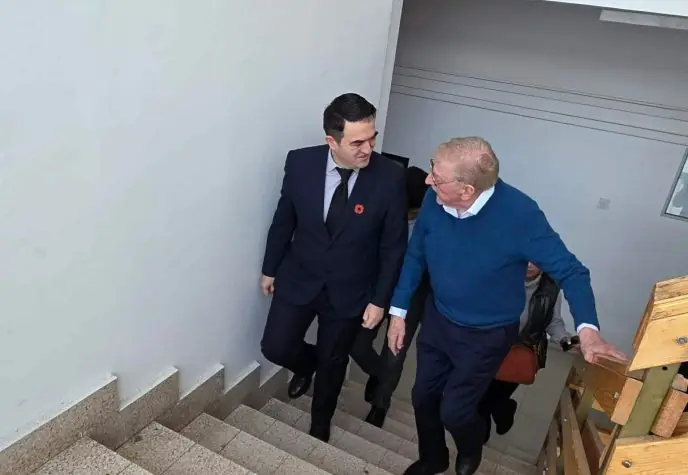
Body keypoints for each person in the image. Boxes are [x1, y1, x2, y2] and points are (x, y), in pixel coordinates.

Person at [387, 137, 627, 475]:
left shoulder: (520, 215)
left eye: (436, 177)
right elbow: (416, 255)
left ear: (467, 190)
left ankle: (471, 447)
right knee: (422, 397)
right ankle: (433, 459)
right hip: (439, 320)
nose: (428, 181)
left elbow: (572, 271)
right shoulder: (435, 198)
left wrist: (588, 330)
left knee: (454, 410)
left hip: (486, 335)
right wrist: (398, 312)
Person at [259, 93, 408, 443]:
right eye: (357, 142)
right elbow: (284, 220)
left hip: (350, 289)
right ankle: (306, 365)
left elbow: (393, 247)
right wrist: (270, 268)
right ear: (332, 140)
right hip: (300, 276)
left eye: (372, 138)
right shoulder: (300, 163)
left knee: (334, 362)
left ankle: (320, 423)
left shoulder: (390, 177)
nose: (368, 149)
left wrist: (380, 301)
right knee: (275, 347)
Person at [349, 166, 432, 428]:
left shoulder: (432, 225)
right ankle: (377, 374)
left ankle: (380, 405)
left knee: (395, 352)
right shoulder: (383, 210)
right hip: (379, 287)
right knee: (358, 344)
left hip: (413, 294)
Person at [478, 262, 575, 443]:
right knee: (480, 400)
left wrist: (566, 341)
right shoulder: (502, 274)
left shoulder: (551, 289)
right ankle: (476, 444)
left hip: (519, 354)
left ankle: (502, 410)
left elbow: (553, 322)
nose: (530, 264)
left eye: (536, 259)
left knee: (491, 398)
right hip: (488, 348)